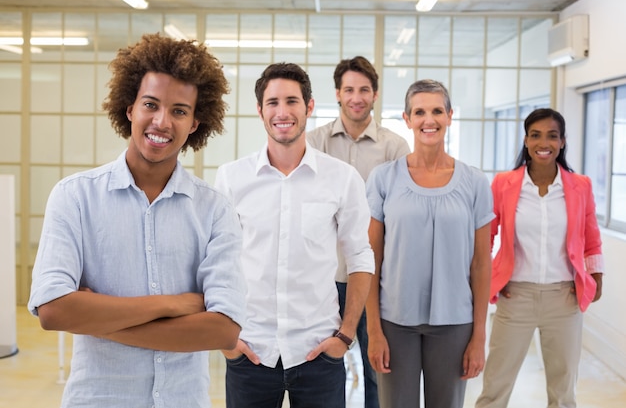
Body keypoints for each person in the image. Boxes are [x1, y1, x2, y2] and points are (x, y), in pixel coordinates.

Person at [27, 33, 247, 408]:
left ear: (195, 123)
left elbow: (224, 330)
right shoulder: (75, 197)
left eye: (179, 110)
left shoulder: (215, 210)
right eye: (151, 104)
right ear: (129, 108)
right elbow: (54, 309)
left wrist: (99, 319)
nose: (161, 122)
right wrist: (173, 304)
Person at [214, 62, 375, 408]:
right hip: (250, 351)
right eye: (272, 103)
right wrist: (227, 341)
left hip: (319, 352)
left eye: (292, 101)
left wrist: (345, 336)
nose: (282, 112)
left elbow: (360, 257)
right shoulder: (231, 178)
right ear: (260, 111)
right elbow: (216, 262)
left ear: (310, 107)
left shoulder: (342, 179)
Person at [365, 79, 494, 408]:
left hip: (455, 323)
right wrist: (374, 332)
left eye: (437, 111)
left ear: (450, 116)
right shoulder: (383, 178)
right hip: (395, 322)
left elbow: (481, 264)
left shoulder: (476, 183)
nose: (429, 120)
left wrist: (479, 336)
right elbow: (371, 260)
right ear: (407, 119)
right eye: (419, 112)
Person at [475, 108, 604, 408]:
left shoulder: (580, 185)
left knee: (563, 393)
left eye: (552, 136)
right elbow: (486, 237)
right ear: (526, 140)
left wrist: (596, 278)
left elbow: (591, 238)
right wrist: (487, 281)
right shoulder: (504, 184)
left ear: (562, 142)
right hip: (515, 295)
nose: (543, 142)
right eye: (535, 135)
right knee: (495, 387)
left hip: (564, 298)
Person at [307, 55, 410, 408]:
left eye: (364, 90)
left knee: (376, 366)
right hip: (323, 274)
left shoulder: (394, 148)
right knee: (322, 365)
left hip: (374, 277)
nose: (356, 97)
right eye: (349, 89)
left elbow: (398, 214)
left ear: (375, 94)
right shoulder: (314, 143)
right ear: (337, 93)